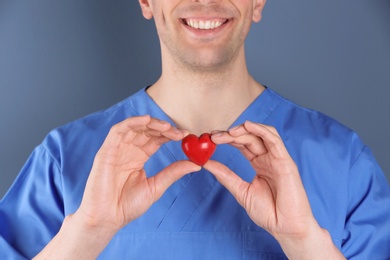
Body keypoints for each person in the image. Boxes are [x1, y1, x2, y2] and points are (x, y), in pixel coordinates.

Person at [1, 0, 389, 259]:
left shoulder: (342, 161)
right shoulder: (63, 160)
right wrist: (86, 233)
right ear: (147, 1)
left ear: (258, 2)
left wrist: (305, 241)